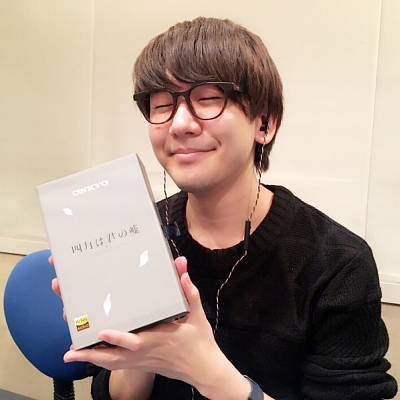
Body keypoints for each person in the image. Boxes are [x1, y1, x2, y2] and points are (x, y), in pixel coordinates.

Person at [54, 17, 397, 399]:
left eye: (207, 100)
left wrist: (206, 371)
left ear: (264, 123)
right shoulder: (135, 238)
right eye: (162, 104)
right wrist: (138, 346)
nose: (179, 124)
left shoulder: (338, 264)